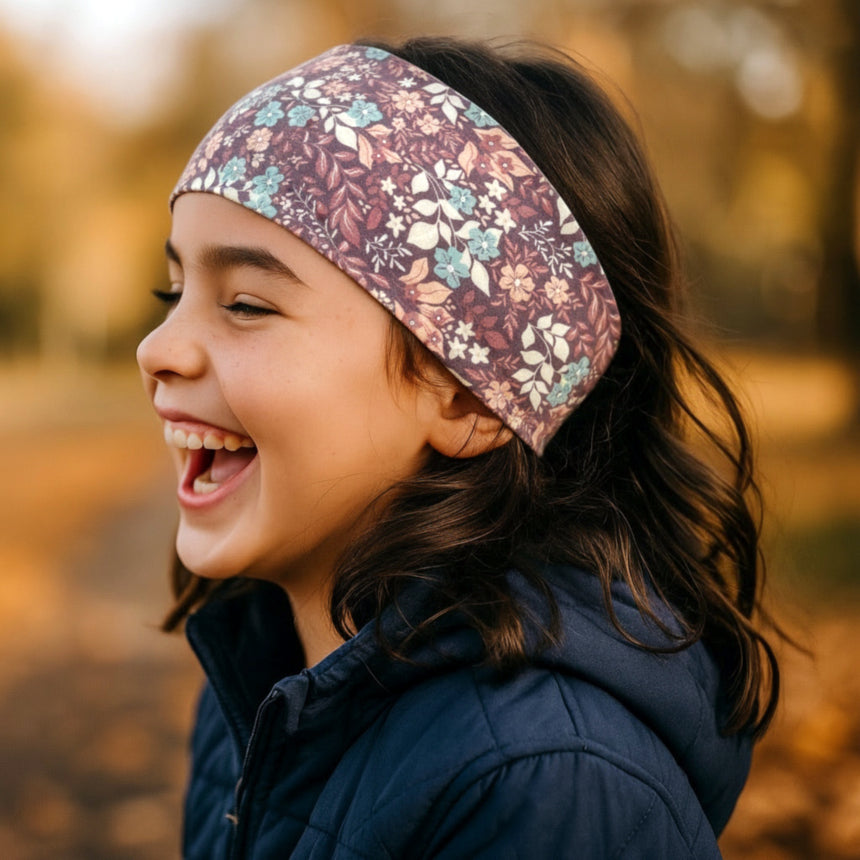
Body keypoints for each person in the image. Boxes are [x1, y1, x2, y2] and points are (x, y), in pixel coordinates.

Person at [137, 36, 779, 858]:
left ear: (470, 395)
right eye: (174, 289)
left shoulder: (542, 786)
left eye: (248, 304)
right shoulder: (258, 687)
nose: (158, 347)